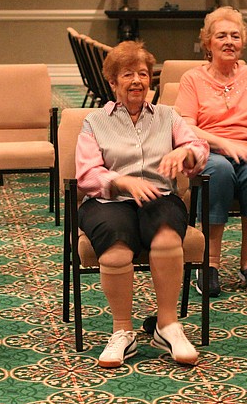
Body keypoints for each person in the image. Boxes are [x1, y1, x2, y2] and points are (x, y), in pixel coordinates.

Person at [76, 40, 210, 368]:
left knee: (165, 238)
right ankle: (123, 331)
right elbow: (87, 173)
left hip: (158, 196)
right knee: (117, 250)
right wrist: (122, 180)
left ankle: (168, 326)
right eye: (127, 74)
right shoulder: (94, 122)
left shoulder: (169, 116)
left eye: (143, 74)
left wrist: (187, 152)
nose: (137, 80)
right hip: (108, 200)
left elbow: (199, 148)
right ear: (112, 82)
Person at [174, 6, 247, 297]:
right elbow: (185, 127)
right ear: (208, 43)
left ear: (243, 42)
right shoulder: (192, 79)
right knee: (219, 171)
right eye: (221, 36)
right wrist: (224, 144)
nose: (229, 42)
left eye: (235, 36)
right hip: (208, 151)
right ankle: (208, 263)